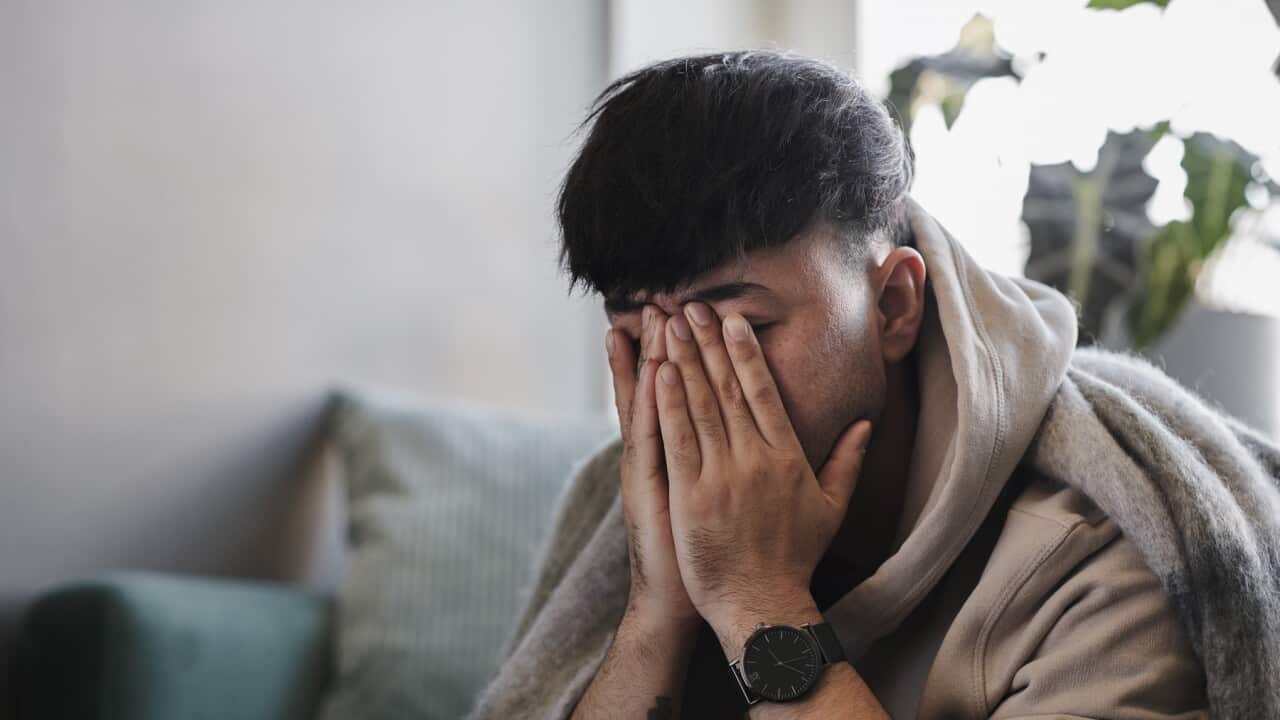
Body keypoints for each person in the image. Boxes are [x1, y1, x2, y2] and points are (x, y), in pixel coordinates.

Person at [466, 50, 1280, 720]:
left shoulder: (1106, 554)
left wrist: (758, 599)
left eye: (736, 328)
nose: (681, 386)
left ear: (892, 305)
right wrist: (655, 614)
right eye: (639, 334)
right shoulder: (625, 517)